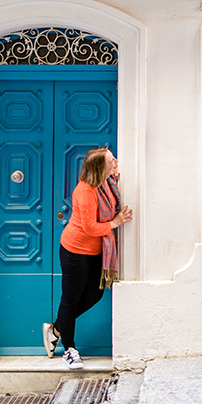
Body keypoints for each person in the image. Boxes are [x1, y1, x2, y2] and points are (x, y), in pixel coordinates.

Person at [42, 147, 133, 369]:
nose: (116, 163)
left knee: (94, 294)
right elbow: (91, 228)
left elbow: (110, 197)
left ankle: (55, 329)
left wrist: (114, 178)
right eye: (112, 161)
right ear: (100, 168)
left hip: (94, 250)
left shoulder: (104, 184)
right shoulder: (85, 191)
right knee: (71, 299)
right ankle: (69, 349)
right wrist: (116, 223)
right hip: (75, 250)